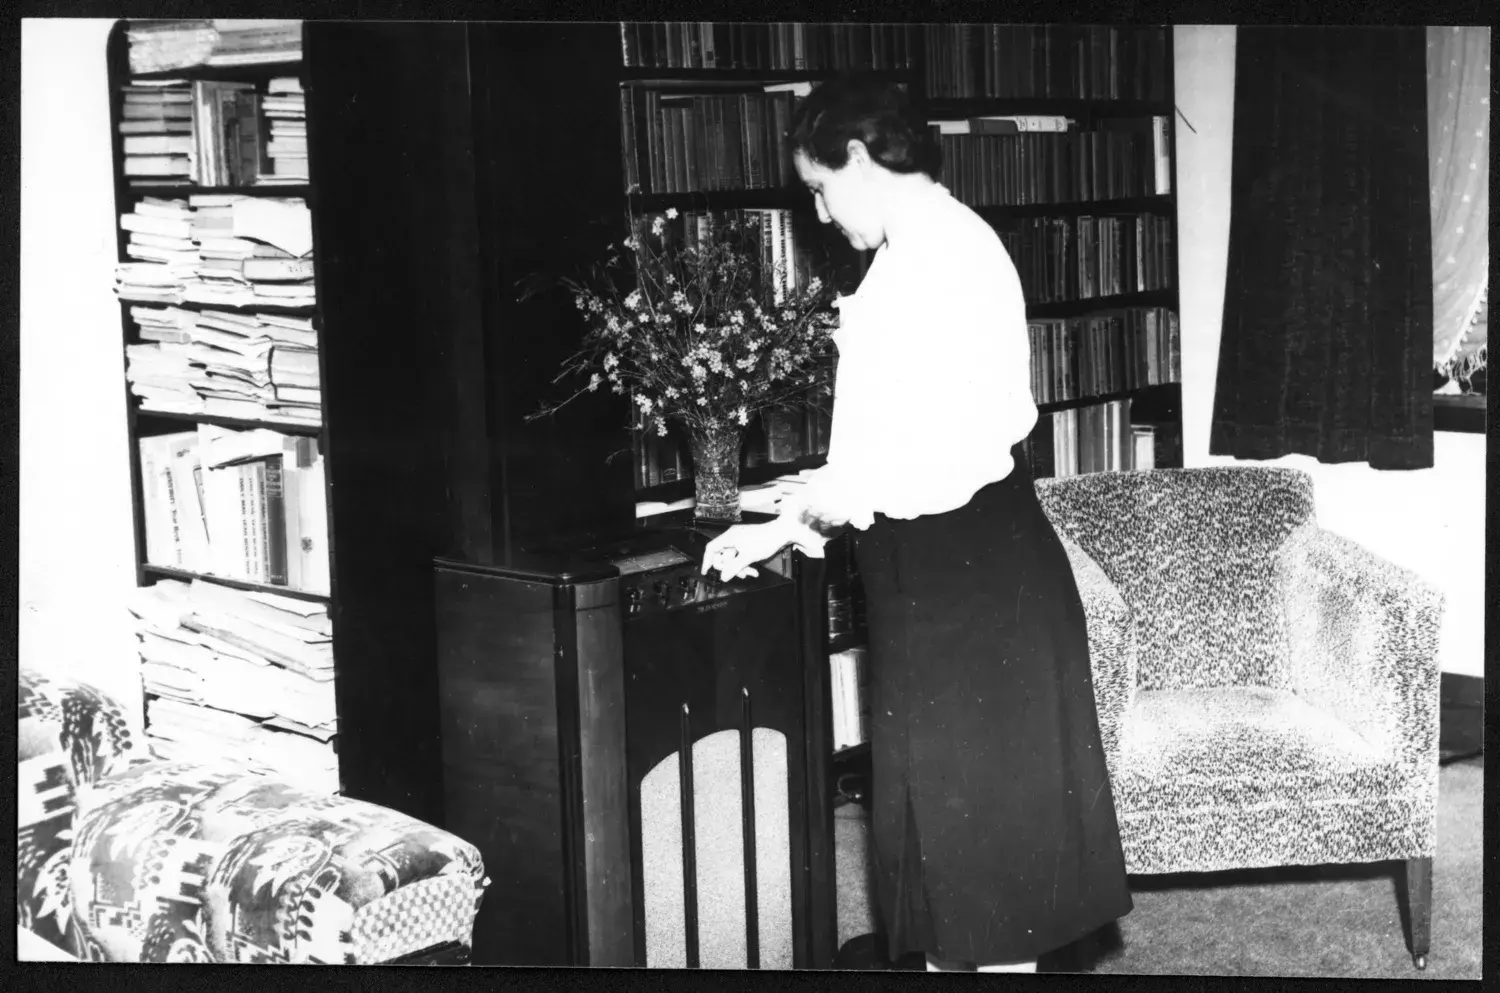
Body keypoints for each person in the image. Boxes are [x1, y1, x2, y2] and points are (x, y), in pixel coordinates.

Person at [701, 74, 1132, 973]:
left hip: (966, 583)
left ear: (858, 159)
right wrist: (799, 502)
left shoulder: (928, 263)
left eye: (819, 186)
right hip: (958, 574)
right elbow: (902, 445)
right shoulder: (939, 244)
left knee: (987, 868)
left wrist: (795, 518)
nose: (818, 212)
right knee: (956, 850)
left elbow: (936, 463)